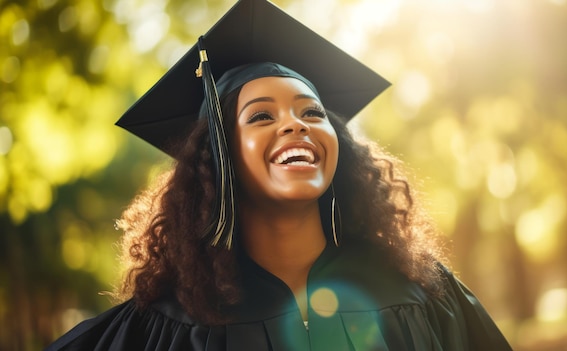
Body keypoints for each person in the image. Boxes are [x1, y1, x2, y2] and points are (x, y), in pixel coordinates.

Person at [46, 0, 513, 349]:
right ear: (219, 158)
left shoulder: (421, 293)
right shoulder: (167, 324)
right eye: (261, 116)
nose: (295, 124)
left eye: (312, 112)